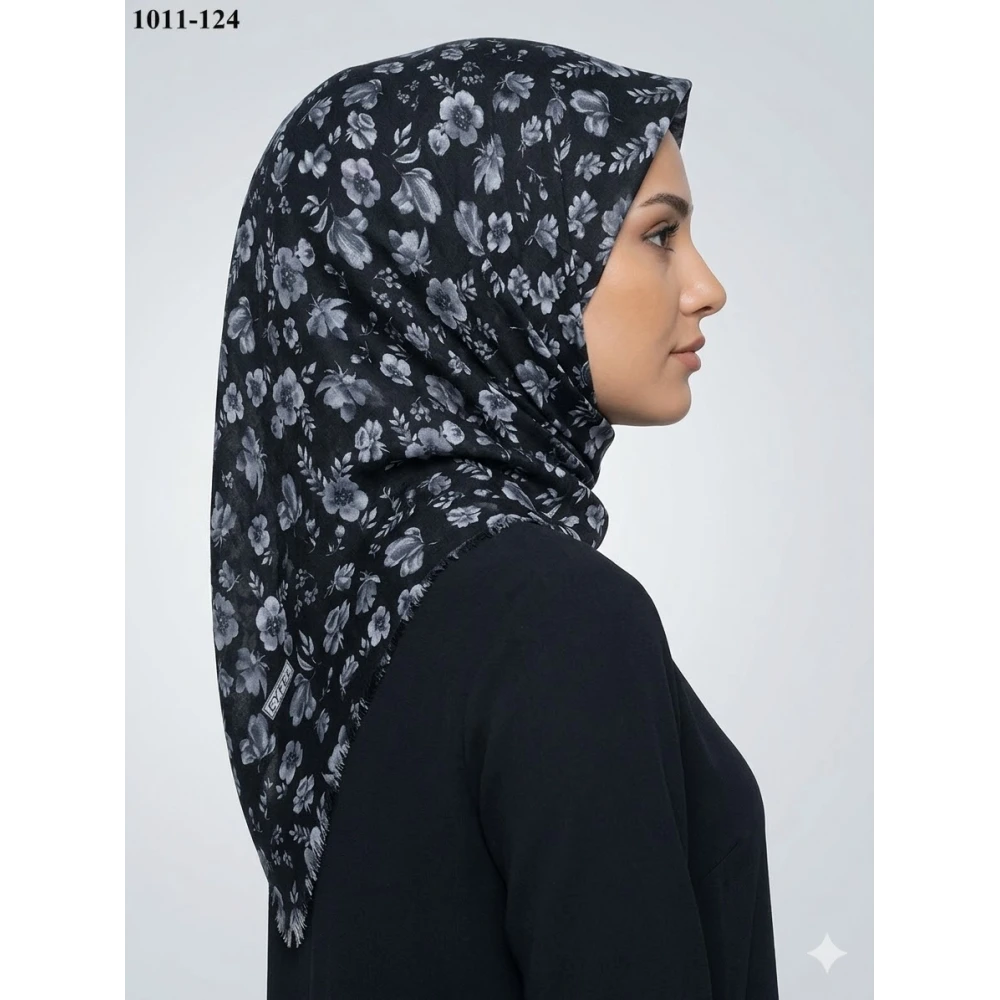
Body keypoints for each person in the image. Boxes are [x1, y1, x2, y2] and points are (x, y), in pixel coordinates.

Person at [209, 35, 779, 999]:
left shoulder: (335, 639)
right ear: (488, 257)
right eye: (659, 235)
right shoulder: (556, 618)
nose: (706, 288)